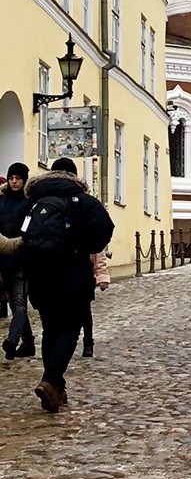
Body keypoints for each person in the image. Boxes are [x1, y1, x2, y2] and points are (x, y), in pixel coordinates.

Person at [18, 156, 114, 414]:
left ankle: (56, 387)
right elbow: (104, 228)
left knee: (50, 329)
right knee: (71, 327)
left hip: (39, 276)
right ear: (74, 176)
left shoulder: (34, 200)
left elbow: (13, 227)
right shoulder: (82, 201)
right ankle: (50, 380)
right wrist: (88, 246)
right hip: (73, 275)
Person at [0, 162, 33, 361]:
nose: (14, 182)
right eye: (11, 178)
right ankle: (28, 343)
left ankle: (12, 340)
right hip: (4, 259)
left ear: (24, 180)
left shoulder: (30, 201)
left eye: (18, 178)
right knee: (14, 303)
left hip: (23, 258)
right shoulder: (2, 201)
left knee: (20, 302)